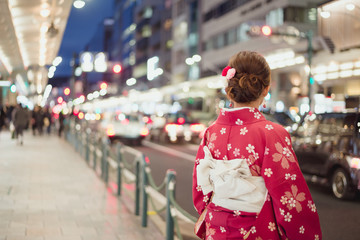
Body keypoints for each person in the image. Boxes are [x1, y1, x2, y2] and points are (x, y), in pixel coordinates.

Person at [192, 51, 322, 240]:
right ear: (265, 89)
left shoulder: (211, 132)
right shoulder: (272, 133)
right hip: (255, 231)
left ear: (230, 88)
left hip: (215, 230)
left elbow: (200, 189)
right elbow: (289, 198)